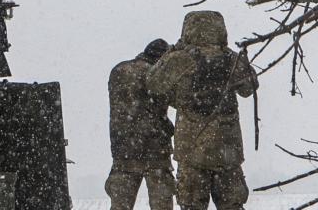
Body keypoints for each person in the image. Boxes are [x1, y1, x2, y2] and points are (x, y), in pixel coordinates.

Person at [148, 11, 258, 210]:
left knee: (191, 206)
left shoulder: (180, 58)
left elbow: (154, 83)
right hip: (228, 151)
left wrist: (173, 51)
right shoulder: (231, 58)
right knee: (232, 205)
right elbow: (249, 88)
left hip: (191, 150)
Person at [106, 38, 175, 210]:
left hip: (123, 149)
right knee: (162, 204)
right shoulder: (155, 74)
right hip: (155, 149)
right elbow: (175, 100)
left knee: (120, 204)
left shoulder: (119, 70)